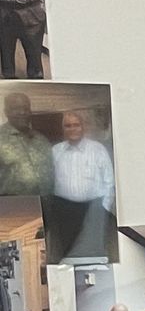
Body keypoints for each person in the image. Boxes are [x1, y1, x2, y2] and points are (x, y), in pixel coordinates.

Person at [43, 106, 116, 262]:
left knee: (94, 252)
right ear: (63, 129)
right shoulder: (55, 152)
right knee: (67, 254)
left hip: (93, 209)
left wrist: (103, 208)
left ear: (83, 127)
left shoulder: (97, 150)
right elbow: (48, 181)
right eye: (67, 126)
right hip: (64, 210)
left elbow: (109, 181)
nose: (72, 129)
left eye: (76, 125)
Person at [0, 89, 52, 196]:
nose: (22, 112)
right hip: (13, 209)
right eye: (16, 108)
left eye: (26, 108)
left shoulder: (41, 139)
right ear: (6, 112)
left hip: (47, 206)